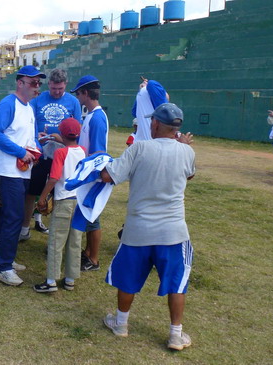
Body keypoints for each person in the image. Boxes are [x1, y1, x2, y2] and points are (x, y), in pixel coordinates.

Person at [100, 103, 195, 351]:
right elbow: (189, 174)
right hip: (173, 231)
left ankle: (121, 324)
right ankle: (176, 334)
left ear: (155, 124)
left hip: (138, 229)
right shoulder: (187, 152)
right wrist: (183, 147)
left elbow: (109, 176)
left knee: (127, 279)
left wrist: (94, 164)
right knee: (176, 282)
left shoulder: (139, 148)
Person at [0, 65, 44, 286]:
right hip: (9, 171)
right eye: (33, 82)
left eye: (39, 83)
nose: (37, 86)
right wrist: (21, 152)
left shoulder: (29, 107)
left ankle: (7, 259)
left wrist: (36, 149)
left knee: (14, 217)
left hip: (22, 171)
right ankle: (2, 267)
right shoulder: (9, 104)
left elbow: (29, 137)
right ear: (20, 83)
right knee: (12, 218)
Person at [22, 68, 82, 241]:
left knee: (59, 194)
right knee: (32, 192)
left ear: (65, 86)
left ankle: (52, 228)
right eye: (54, 88)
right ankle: (25, 227)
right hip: (41, 154)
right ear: (49, 84)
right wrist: (36, 137)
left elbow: (77, 130)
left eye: (60, 89)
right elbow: (29, 124)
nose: (57, 92)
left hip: (64, 155)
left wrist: (61, 139)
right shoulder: (38, 100)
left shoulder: (73, 102)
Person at [33, 118, 86, 293]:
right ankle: (70, 279)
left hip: (63, 199)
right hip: (79, 202)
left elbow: (54, 178)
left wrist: (42, 197)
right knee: (74, 240)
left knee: (56, 241)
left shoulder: (61, 153)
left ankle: (51, 281)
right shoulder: (83, 151)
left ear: (62, 134)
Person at [72, 75, 108, 272]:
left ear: (85, 93)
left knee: (93, 218)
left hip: (91, 175)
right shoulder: (92, 116)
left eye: (78, 93)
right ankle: (87, 252)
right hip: (87, 174)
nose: (77, 97)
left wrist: (89, 175)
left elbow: (98, 152)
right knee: (89, 216)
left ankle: (93, 259)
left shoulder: (97, 118)